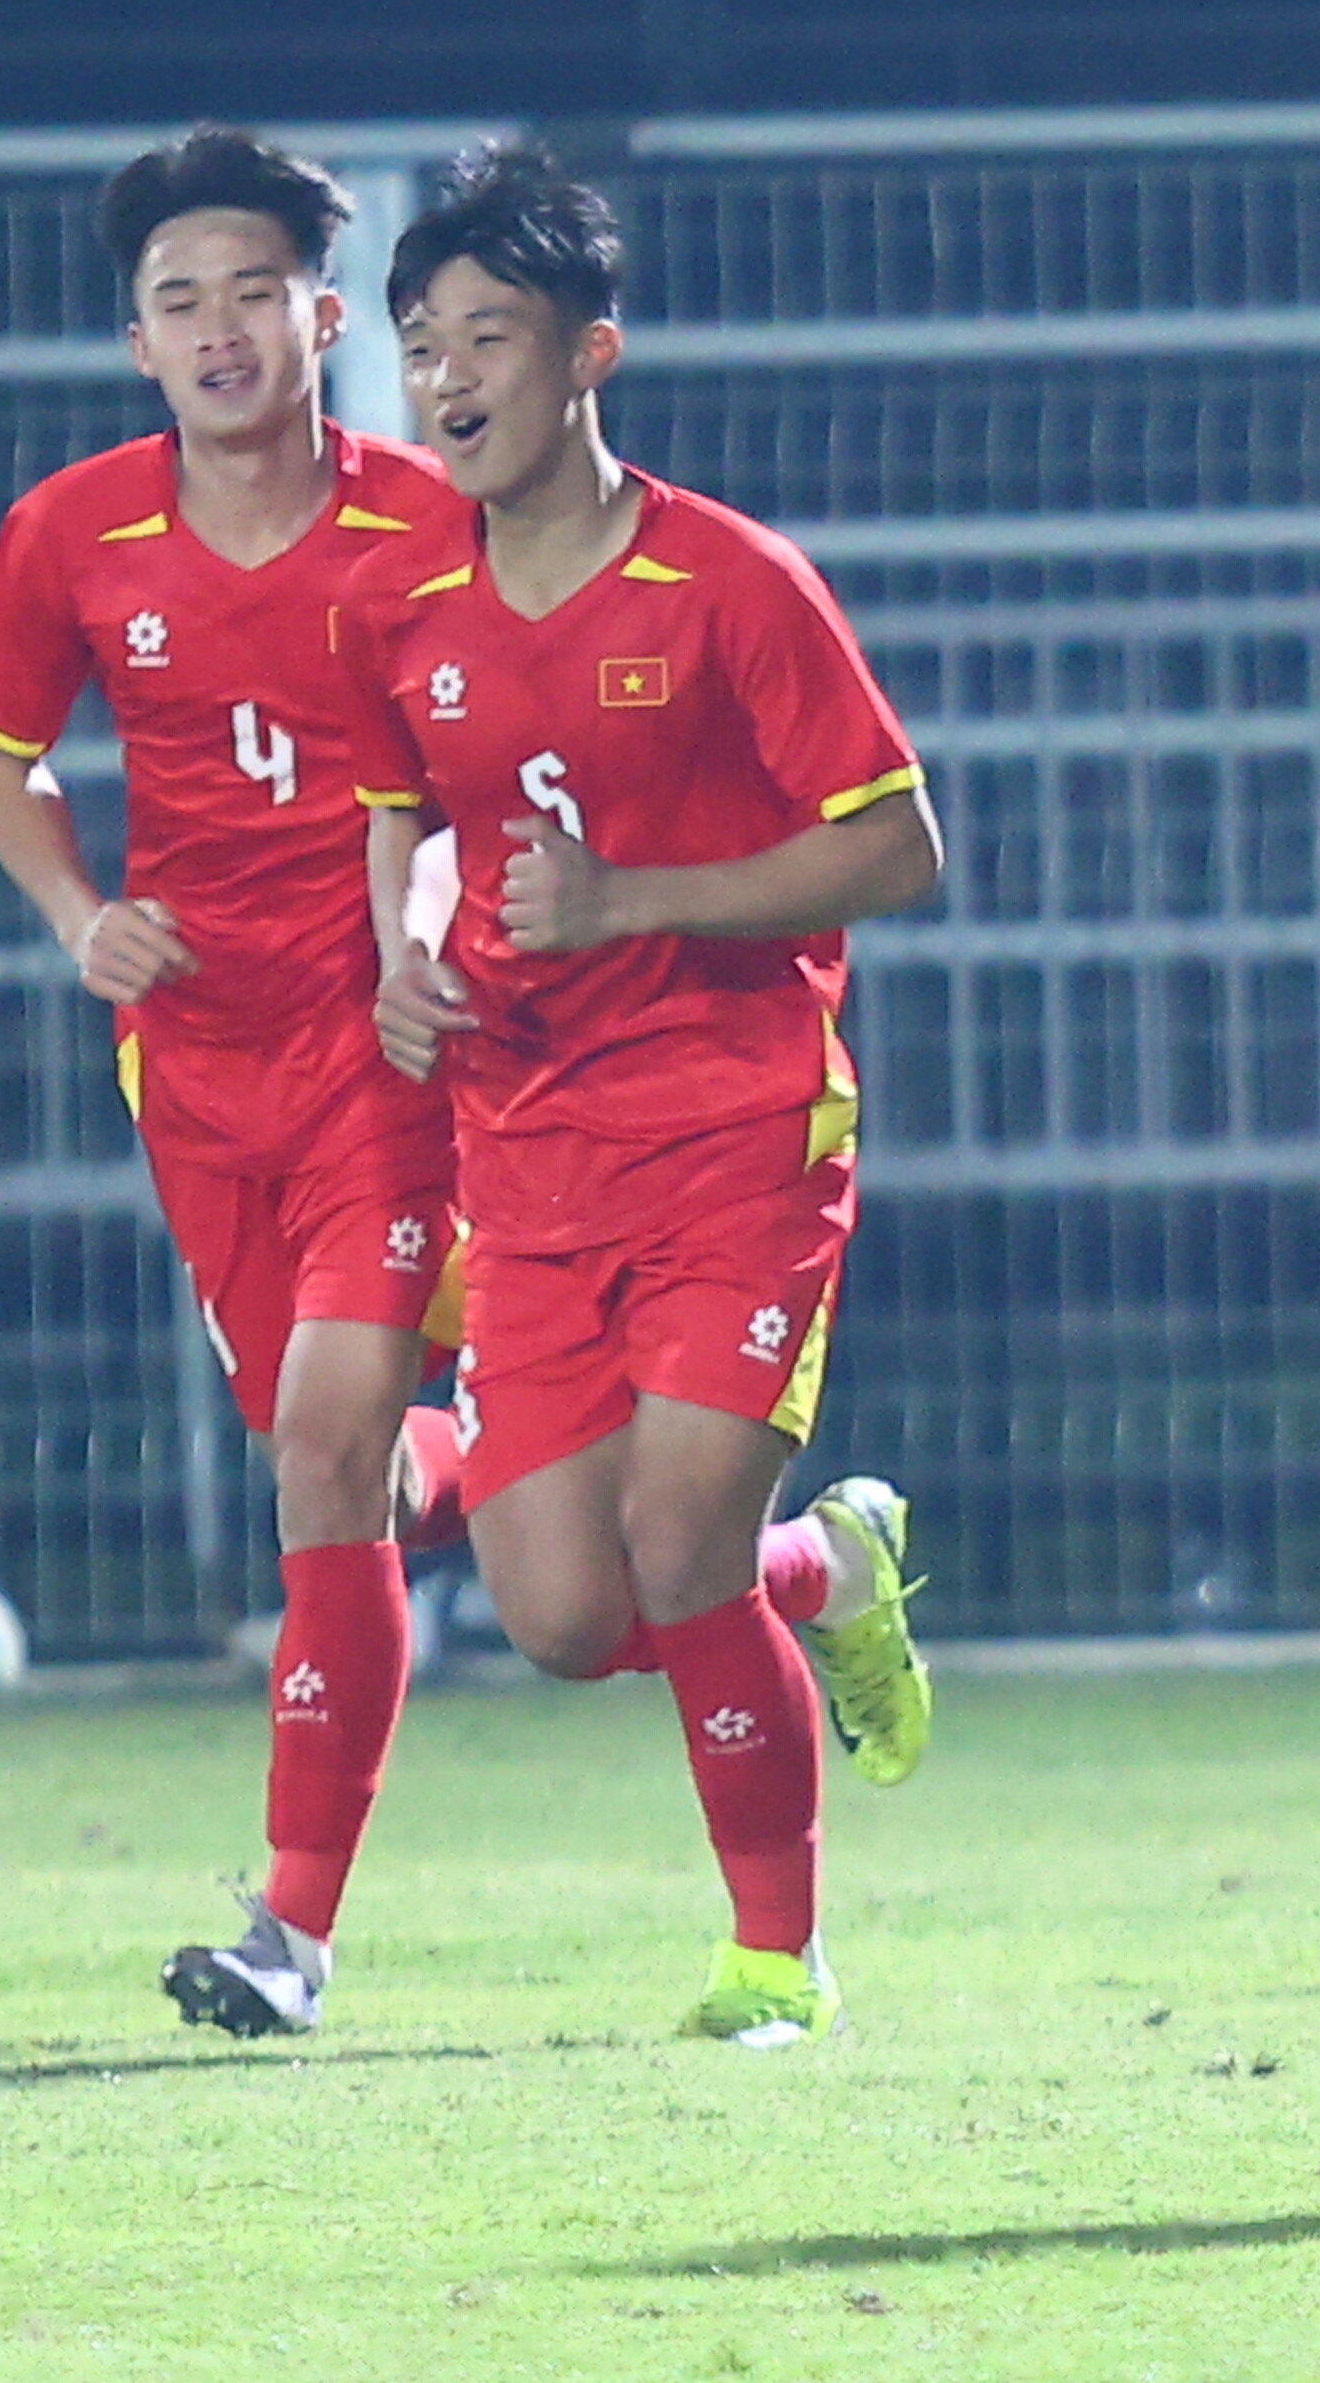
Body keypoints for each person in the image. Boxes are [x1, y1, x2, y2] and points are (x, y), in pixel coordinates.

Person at [346, 145, 943, 2047]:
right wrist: (402, 958)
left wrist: (634, 899)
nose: (446, 378)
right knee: (567, 1619)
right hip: (529, 1151)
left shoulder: (730, 582)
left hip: (738, 1123)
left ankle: (775, 1959)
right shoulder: (399, 603)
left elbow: (899, 846)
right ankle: (828, 1565)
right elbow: (402, 818)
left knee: (677, 1548)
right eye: (422, 341)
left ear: (589, 353)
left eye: (488, 337)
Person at [0, 126, 483, 2037]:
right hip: (193, 1064)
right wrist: (81, 914)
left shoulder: (434, 521)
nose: (222, 326)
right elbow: (1, 758)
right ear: (141, 343)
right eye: (183, 300)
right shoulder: (74, 533)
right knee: (353, 1473)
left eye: (258, 289)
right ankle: (604, 1482)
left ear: (327, 320)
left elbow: (495, 751)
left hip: (387, 1045)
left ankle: (290, 1934)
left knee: (323, 1448)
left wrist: (430, 928)